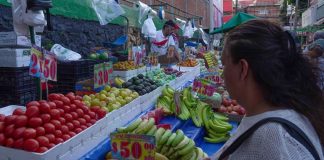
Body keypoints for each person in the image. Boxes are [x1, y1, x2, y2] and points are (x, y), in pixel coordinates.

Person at [209, 19, 324, 160]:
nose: (222, 73)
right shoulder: (280, 112)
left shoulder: (272, 140)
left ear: (243, 69)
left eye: (224, 64)